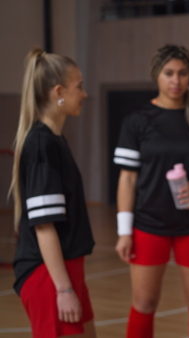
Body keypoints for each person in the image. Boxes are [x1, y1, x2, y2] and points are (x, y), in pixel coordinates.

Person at [113, 45, 189, 338]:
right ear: (157, 76)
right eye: (169, 73)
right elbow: (127, 180)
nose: (175, 80)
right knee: (144, 303)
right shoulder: (137, 121)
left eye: (182, 73)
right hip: (147, 225)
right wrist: (124, 232)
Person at [10, 48, 96, 338]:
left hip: (68, 268)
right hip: (49, 275)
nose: (84, 94)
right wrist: (64, 289)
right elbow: (45, 226)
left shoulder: (56, 140)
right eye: (80, 86)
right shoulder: (40, 145)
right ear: (59, 92)